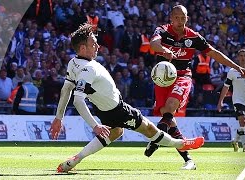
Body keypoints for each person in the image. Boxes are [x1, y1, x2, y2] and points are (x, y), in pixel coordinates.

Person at [49, 23, 204, 173]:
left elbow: (66, 89)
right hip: (118, 110)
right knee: (149, 129)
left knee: (116, 132)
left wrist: (58, 118)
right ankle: (182, 143)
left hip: (103, 110)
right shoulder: (89, 69)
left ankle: (77, 158)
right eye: (94, 44)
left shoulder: (73, 63)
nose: (98, 46)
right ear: (83, 48)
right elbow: (77, 100)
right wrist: (95, 126)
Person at [146, 5, 245, 170]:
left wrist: (237, 67)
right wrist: (164, 50)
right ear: (171, 18)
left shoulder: (193, 37)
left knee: (171, 107)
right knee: (168, 118)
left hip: (182, 77)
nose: (180, 21)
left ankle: (155, 140)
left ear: (187, 18)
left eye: (183, 18)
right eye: (177, 18)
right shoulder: (163, 30)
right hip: (162, 79)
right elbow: (153, 43)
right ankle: (188, 160)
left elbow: (214, 53)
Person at [217, 49, 245, 152]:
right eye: (240, 55)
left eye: (244, 55)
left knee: (243, 125)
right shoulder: (232, 71)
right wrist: (220, 101)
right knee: (243, 120)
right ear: (237, 57)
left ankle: (235, 141)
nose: (242, 57)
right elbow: (226, 87)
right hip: (237, 100)